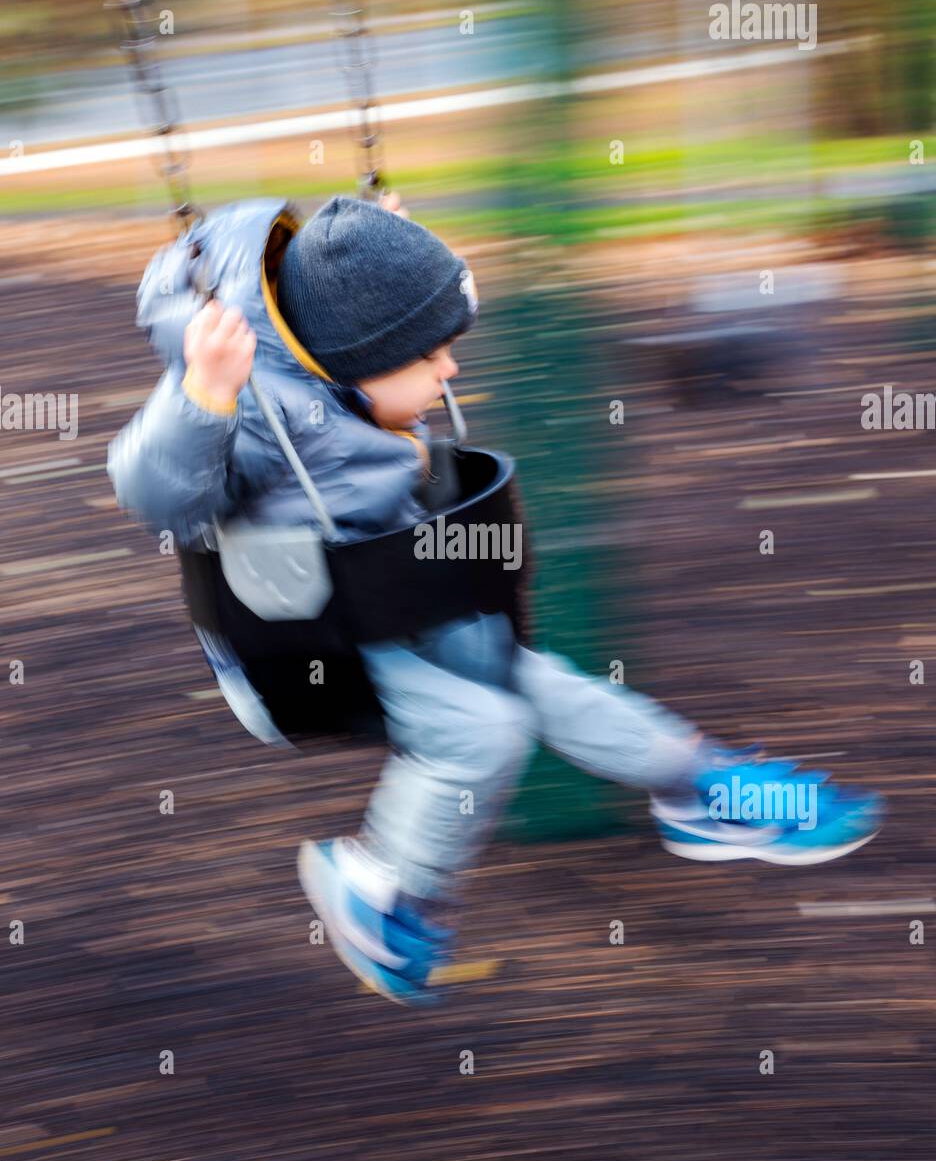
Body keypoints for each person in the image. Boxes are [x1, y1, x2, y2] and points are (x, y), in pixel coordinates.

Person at [108, 191, 881, 1008]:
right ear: (358, 360)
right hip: (305, 646)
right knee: (488, 728)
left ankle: (701, 789)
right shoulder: (244, 403)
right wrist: (203, 395)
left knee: (541, 684)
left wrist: (384, 245)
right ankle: (377, 886)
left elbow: (351, 303)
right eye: (431, 354)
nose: (451, 370)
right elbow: (151, 492)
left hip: (397, 600)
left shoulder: (332, 347)